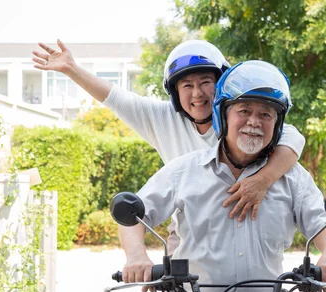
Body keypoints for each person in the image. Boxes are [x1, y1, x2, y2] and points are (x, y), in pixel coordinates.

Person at [117, 60, 326, 292]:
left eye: (266, 114)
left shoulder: (292, 177)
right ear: (223, 115)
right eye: (244, 110)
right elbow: (133, 216)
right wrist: (136, 255)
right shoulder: (185, 170)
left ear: (278, 122)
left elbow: (323, 224)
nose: (254, 122)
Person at [32, 40, 306, 228]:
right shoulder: (162, 118)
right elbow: (114, 97)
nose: (197, 93)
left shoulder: (241, 118)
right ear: (175, 93)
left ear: (222, 86)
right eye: (186, 85)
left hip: (250, 225)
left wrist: (262, 181)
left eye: (206, 83)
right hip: (190, 234)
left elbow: (293, 138)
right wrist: (71, 69)